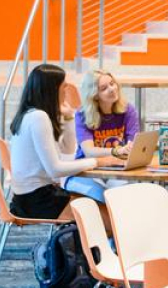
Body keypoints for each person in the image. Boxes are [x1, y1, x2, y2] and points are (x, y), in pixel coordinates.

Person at [8, 64, 123, 220]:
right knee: (112, 220)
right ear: (51, 89)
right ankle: (88, 243)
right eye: (63, 85)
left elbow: (68, 151)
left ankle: (87, 243)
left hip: (31, 196)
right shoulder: (38, 117)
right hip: (37, 200)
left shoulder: (31, 114)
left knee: (102, 210)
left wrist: (69, 117)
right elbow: (55, 170)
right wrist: (98, 161)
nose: (67, 88)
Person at [62, 69, 139, 203]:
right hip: (87, 171)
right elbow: (89, 151)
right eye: (104, 88)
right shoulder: (82, 114)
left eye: (112, 83)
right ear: (95, 95)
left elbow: (133, 144)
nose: (111, 89)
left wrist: (130, 148)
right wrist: (116, 151)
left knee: (130, 194)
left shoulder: (128, 110)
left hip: (116, 168)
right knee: (104, 197)